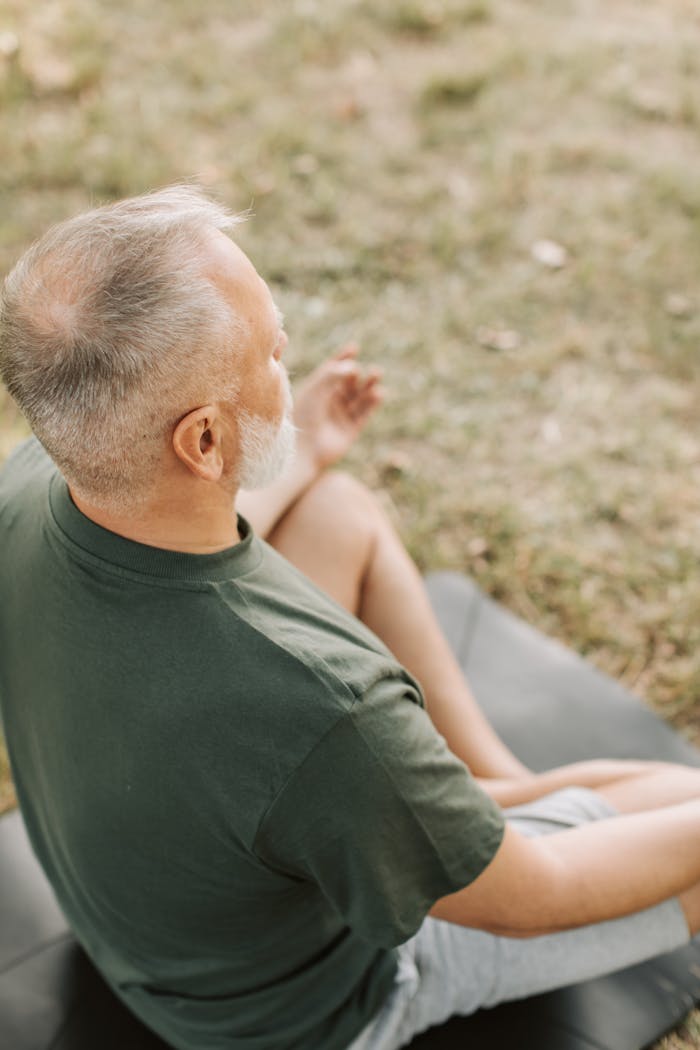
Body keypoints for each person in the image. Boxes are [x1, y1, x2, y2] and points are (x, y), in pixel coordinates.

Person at [1, 186, 700, 1050]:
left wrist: (308, 452)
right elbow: (535, 899)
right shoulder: (321, 707)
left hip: (152, 934)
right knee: (683, 807)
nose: (287, 359)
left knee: (337, 513)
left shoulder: (27, 487)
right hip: (309, 1013)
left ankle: (484, 790)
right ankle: (471, 818)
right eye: (273, 352)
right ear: (205, 442)